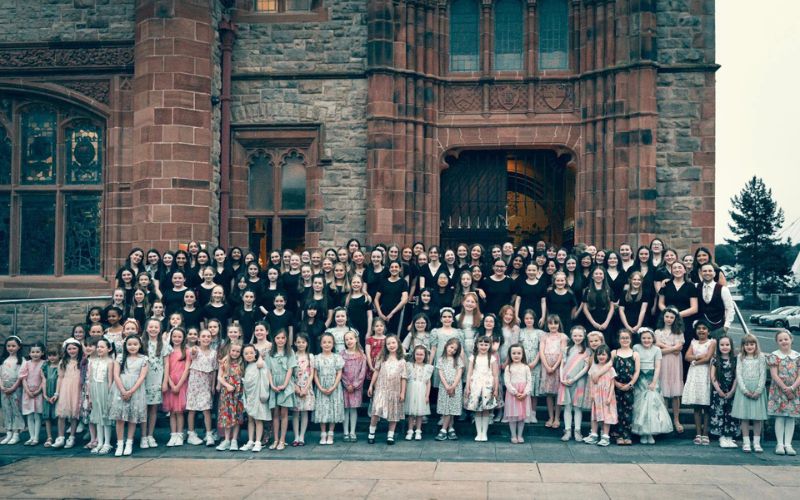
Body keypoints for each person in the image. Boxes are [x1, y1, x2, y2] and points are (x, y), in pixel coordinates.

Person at [108, 336, 149, 456]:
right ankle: (120, 444)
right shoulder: (120, 358)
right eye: (129, 344)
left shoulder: (144, 359)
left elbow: (142, 377)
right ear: (125, 346)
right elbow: (116, 375)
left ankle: (129, 443)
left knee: (132, 417)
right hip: (120, 388)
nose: (132, 346)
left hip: (136, 389)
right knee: (120, 418)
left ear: (140, 345)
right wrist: (123, 390)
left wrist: (131, 391)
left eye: (135, 344)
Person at [632, 328, 673, 444]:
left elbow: (658, 366)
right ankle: (642, 433)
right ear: (640, 339)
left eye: (649, 338)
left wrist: (654, 382)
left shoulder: (657, 349)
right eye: (644, 338)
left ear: (653, 339)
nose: (646, 340)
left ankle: (650, 432)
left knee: (651, 405)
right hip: (640, 378)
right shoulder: (636, 348)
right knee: (641, 406)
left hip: (651, 378)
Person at [731, 334, 768, 453]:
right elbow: (739, 374)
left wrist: (758, 390)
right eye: (746, 344)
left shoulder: (761, 357)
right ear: (743, 346)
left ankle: (756, 443)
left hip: (757, 389)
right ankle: (746, 442)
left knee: (758, 418)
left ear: (756, 345)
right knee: (744, 418)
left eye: (752, 344)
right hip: (744, 390)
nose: (749, 346)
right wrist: (744, 390)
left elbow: (763, 375)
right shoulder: (741, 357)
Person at [367, 335, 407, 444]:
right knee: (376, 411)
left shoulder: (402, 361)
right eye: (388, 344)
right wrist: (371, 385)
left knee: (393, 413)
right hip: (381, 389)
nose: (391, 345)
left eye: (393, 343)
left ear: (398, 344)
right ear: (385, 346)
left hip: (395, 390)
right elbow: (376, 371)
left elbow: (404, 377)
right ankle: (371, 433)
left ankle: (390, 435)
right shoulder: (382, 358)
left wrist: (402, 392)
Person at [682, 320, 716, 445]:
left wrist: (695, 361)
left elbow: (708, 358)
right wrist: (697, 357)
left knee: (705, 405)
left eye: (704, 328)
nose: (701, 330)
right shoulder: (693, 342)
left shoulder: (712, 342)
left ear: (709, 331)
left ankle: (705, 433)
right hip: (694, 374)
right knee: (696, 405)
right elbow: (687, 356)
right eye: (699, 328)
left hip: (705, 373)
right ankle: (698, 433)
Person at [767, 330, 800, 456]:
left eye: (786, 339)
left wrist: (792, 388)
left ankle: (788, 444)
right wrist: (785, 388)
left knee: (791, 417)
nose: (783, 342)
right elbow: (774, 375)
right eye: (780, 340)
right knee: (780, 417)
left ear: (791, 339)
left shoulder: (797, 356)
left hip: (794, 390)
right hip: (779, 391)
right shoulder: (775, 356)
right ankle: (780, 444)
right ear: (777, 342)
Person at [558, 325, 591, 442]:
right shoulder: (566, 349)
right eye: (575, 335)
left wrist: (575, 379)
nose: (578, 337)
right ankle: (567, 431)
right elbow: (562, 365)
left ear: (584, 336)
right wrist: (561, 377)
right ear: (571, 336)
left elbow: (586, 368)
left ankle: (577, 431)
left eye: (580, 335)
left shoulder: (588, 351)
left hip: (579, 381)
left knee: (577, 407)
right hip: (565, 380)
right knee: (567, 407)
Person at [655, 307, 685, 432]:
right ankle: (664, 420)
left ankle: (676, 419)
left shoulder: (679, 332)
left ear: (675, 319)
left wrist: (664, 346)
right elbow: (657, 349)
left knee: (675, 393)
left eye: (672, 317)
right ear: (663, 317)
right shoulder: (657, 332)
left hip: (674, 363)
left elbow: (679, 350)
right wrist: (672, 348)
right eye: (667, 316)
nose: (669, 319)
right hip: (663, 362)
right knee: (664, 391)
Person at [464, 335, 499, 442]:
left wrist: (496, 389)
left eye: (486, 344)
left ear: (489, 346)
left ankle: (484, 433)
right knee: (478, 410)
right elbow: (469, 373)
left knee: (486, 410)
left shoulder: (492, 359)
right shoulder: (473, 358)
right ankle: (479, 433)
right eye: (481, 344)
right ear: (477, 345)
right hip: (476, 386)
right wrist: (467, 386)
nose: (483, 347)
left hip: (488, 387)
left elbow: (495, 375)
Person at [186, 329, 217, 447]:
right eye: (203, 336)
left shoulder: (213, 352)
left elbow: (214, 370)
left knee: (206, 409)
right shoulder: (195, 350)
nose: (206, 338)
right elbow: (192, 354)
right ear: (199, 338)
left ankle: (209, 434)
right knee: (192, 409)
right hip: (194, 382)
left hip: (206, 382)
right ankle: (191, 433)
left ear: (211, 338)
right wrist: (193, 350)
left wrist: (213, 385)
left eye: (208, 336)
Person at [142, 318, 171, 449]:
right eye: (151, 327)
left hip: (156, 380)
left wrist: (165, 382)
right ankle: (143, 436)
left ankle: (150, 435)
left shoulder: (164, 344)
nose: (153, 329)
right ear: (146, 328)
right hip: (142, 380)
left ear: (160, 329)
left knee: (153, 409)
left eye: (156, 327)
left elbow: (167, 364)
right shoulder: (141, 343)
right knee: (143, 409)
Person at [52, 339, 83, 449]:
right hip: (65, 388)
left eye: (74, 348)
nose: (72, 350)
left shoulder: (82, 362)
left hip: (76, 389)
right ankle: (60, 437)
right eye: (69, 348)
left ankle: (72, 437)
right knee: (62, 414)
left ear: (79, 349)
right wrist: (57, 393)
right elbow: (60, 378)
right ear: (66, 350)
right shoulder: (63, 362)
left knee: (74, 413)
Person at [268, 329, 296, 451]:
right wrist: (272, 384)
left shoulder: (290, 352)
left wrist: (285, 384)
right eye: (278, 338)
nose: (280, 340)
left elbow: (290, 369)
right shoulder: (270, 353)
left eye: (283, 338)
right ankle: (275, 439)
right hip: (274, 383)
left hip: (285, 383)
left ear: (286, 339)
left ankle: (282, 440)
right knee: (275, 413)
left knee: (284, 413)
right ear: (274, 339)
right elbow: (268, 370)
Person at [314, 332, 345, 445]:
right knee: (322, 409)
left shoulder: (337, 357)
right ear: (321, 344)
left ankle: (331, 433)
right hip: (321, 385)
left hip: (334, 386)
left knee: (333, 409)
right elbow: (315, 374)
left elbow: (339, 373)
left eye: (329, 342)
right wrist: (320, 387)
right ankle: (323, 433)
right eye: (324, 342)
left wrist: (333, 386)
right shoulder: (316, 358)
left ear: (333, 344)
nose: (327, 344)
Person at [584, 345, 617, 447]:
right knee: (595, 415)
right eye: (599, 354)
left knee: (607, 416)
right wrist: (592, 394)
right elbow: (591, 382)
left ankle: (605, 436)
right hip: (597, 395)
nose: (601, 357)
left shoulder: (610, 369)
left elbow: (612, 384)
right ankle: (594, 434)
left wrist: (609, 397)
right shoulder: (594, 367)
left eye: (603, 354)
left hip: (607, 396)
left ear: (608, 356)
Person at [162, 328, 191, 447]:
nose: (177, 339)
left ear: (184, 338)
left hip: (181, 383)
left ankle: (180, 434)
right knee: (172, 411)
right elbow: (166, 367)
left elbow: (187, 369)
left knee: (179, 411)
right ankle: (173, 435)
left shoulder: (187, 351)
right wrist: (170, 383)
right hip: (170, 383)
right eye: (174, 336)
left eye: (179, 337)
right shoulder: (168, 351)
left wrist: (178, 385)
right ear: (171, 337)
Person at [241, 344, 271, 452]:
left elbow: (265, 378)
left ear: (255, 353)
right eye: (246, 353)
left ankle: (258, 441)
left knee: (258, 419)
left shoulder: (260, 364)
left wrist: (260, 359)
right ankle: (250, 440)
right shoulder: (245, 367)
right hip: (249, 396)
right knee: (250, 419)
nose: (249, 355)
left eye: (251, 353)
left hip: (258, 395)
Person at [710, 335, 739, 448]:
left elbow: (737, 377)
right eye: (722, 345)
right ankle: (721, 436)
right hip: (718, 392)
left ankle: (729, 436)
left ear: (731, 346)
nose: (725, 347)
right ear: (718, 346)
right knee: (719, 413)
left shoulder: (735, 360)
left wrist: (732, 391)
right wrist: (719, 390)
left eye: (727, 345)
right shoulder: (715, 360)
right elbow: (713, 377)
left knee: (731, 414)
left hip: (732, 391)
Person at [612, 330, 640, 446]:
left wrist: (630, 384)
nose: (625, 340)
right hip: (616, 386)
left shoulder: (635, 354)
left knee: (628, 410)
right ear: (619, 340)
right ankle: (618, 435)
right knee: (618, 410)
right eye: (622, 338)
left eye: (627, 338)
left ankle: (627, 435)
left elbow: (637, 371)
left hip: (629, 387)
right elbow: (610, 369)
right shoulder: (614, 353)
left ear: (630, 339)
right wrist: (615, 383)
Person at [539, 314, 568, 429]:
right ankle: (550, 417)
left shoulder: (563, 337)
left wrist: (555, 366)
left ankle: (557, 417)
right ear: (547, 324)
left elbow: (562, 352)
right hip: (546, 365)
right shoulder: (544, 336)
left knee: (558, 393)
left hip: (558, 366)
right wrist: (547, 366)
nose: (553, 326)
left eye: (555, 323)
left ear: (559, 324)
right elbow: (541, 351)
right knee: (549, 393)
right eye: (550, 323)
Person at [215, 343, 245, 451]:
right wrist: (227, 385)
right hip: (226, 393)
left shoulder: (242, 362)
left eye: (237, 351)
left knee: (236, 416)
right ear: (229, 350)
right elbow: (219, 376)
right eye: (233, 351)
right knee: (227, 416)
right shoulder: (224, 361)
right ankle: (227, 439)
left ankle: (234, 440)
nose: (235, 353)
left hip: (238, 394)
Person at [86, 338, 114, 454]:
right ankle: (100, 442)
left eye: (102, 347)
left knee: (105, 417)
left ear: (109, 349)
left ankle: (107, 443)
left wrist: (109, 396)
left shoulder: (110, 362)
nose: (99, 349)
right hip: (94, 390)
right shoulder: (93, 362)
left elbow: (110, 380)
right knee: (98, 418)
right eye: (98, 347)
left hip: (105, 390)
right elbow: (90, 379)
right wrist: (90, 396)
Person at [435, 338, 464, 441]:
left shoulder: (458, 360)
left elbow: (459, 373)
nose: (452, 350)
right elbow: (441, 374)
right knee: (446, 408)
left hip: (455, 387)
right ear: (446, 346)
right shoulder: (441, 359)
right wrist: (447, 386)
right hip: (444, 387)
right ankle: (450, 429)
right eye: (451, 347)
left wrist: (453, 386)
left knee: (451, 408)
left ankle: (443, 430)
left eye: (455, 349)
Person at [696, 263, 735, 339]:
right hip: (700, 329)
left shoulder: (723, 289)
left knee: (717, 350)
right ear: (701, 273)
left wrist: (726, 326)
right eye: (704, 271)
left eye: (710, 271)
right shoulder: (696, 286)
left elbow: (730, 308)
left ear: (714, 273)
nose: (707, 273)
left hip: (718, 327)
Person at [341, 330, 366, 442]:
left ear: (356, 339)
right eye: (346, 339)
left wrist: (355, 384)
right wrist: (347, 384)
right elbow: (339, 371)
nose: (349, 341)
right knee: (346, 409)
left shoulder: (361, 355)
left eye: (351, 338)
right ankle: (345, 432)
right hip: (345, 386)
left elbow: (363, 371)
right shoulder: (341, 354)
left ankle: (352, 432)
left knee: (353, 409)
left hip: (357, 387)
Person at [504, 344, 533, 443]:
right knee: (513, 416)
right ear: (510, 354)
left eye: (519, 353)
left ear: (523, 354)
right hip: (513, 395)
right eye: (514, 353)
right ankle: (513, 435)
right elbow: (507, 382)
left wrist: (525, 393)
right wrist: (515, 392)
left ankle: (520, 435)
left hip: (523, 394)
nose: (516, 355)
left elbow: (529, 381)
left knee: (521, 416)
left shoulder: (526, 367)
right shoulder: (508, 367)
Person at [18, 342, 45, 446]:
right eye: (33, 352)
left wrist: (39, 390)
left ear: (42, 352)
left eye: (38, 352)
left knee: (37, 415)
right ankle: (31, 436)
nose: (35, 354)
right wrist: (28, 391)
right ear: (29, 353)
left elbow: (44, 379)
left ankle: (36, 438)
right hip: (28, 392)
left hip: (39, 392)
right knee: (29, 415)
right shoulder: (26, 363)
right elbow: (23, 378)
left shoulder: (44, 363)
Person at [404, 345, 434, 441]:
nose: (419, 356)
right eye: (417, 354)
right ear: (414, 355)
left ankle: (418, 430)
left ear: (425, 356)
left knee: (420, 412)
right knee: (411, 412)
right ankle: (410, 430)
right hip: (411, 390)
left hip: (422, 390)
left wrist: (427, 395)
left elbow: (428, 382)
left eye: (421, 354)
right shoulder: (409, 365)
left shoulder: (427, 368)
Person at [0, 336, 25, 445]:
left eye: (13, 346)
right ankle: (8, 432)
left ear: (19, 347)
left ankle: (16, 433)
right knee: (6, 410)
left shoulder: (21, 360)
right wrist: (1, 386)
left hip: (16, 388)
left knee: (16, 410)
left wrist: (13, 388)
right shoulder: (3, 360)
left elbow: (21, 377)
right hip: (4, 389)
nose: (11, 348)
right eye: (8, 346)